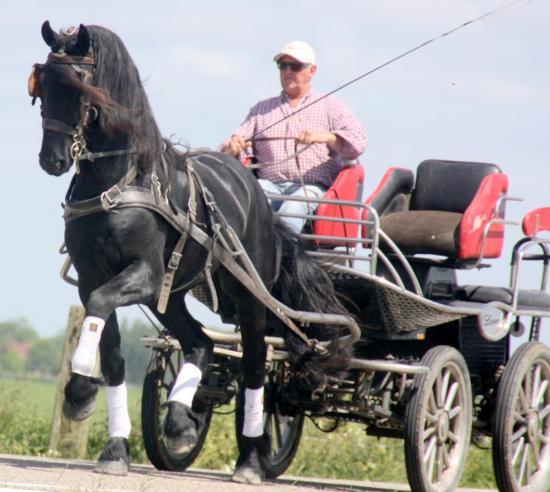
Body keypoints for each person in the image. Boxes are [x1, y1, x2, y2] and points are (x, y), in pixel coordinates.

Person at [220, 40, 367, 233]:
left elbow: (359, 142)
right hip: (268, 184)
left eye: (295, 66)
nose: (288, 71)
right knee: (246, 201)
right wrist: (232, 147)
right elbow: (229, 146)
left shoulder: (330, 106)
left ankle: (283, 261)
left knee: (292, 210)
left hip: (311, 187)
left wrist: (326, 137)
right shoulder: (260, 110)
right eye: (283, 66)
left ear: (312, 70)